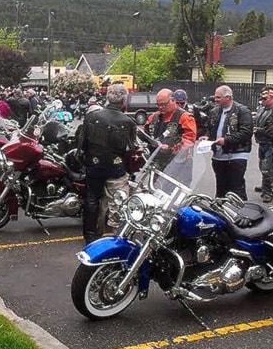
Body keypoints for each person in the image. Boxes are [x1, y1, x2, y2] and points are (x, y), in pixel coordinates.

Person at [76, 83, 136, 244]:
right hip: (115, 168)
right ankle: (118, 237)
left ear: (108, 97)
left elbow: (82, 142)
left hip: (94, 165)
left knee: (92, 199)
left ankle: (90, 236)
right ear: (123, 100)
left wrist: (87, 159)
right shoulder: (128, 122)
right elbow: (130, 149)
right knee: (119, 201)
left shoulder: (92, 116)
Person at [203, 85, 253, 200]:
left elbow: (246, 133)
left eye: (218, 97)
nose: (215, 100)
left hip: (236, 156)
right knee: (220, 191)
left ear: (228, 97)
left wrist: (226, 140)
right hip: (218, 157)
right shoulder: (214, 111)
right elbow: (208, 128)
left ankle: (241, 215)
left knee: (236, 190)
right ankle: (221, 215)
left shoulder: (243, 111)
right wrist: (206, 136)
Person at [144, 88, 197, 185]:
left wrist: (172, 148)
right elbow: (144, 133)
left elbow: (189, 140)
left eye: (164, 104)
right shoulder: (154, 117)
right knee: (154, 189)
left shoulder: (185, 117)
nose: (161, 107)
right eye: (158, 105)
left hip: (178, 164)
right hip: (157, 162)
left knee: (176, 193)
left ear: (173, 100)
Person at [253, 86, 273, 203]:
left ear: (272, 98)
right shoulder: (262, 109)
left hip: (271, 143)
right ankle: (266, 186)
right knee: (262, 166)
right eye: (261, 98)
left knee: (267, 168)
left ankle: (268, 192)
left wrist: (259, 130)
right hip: (262, 142)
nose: (262, 100)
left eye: (264, 98)